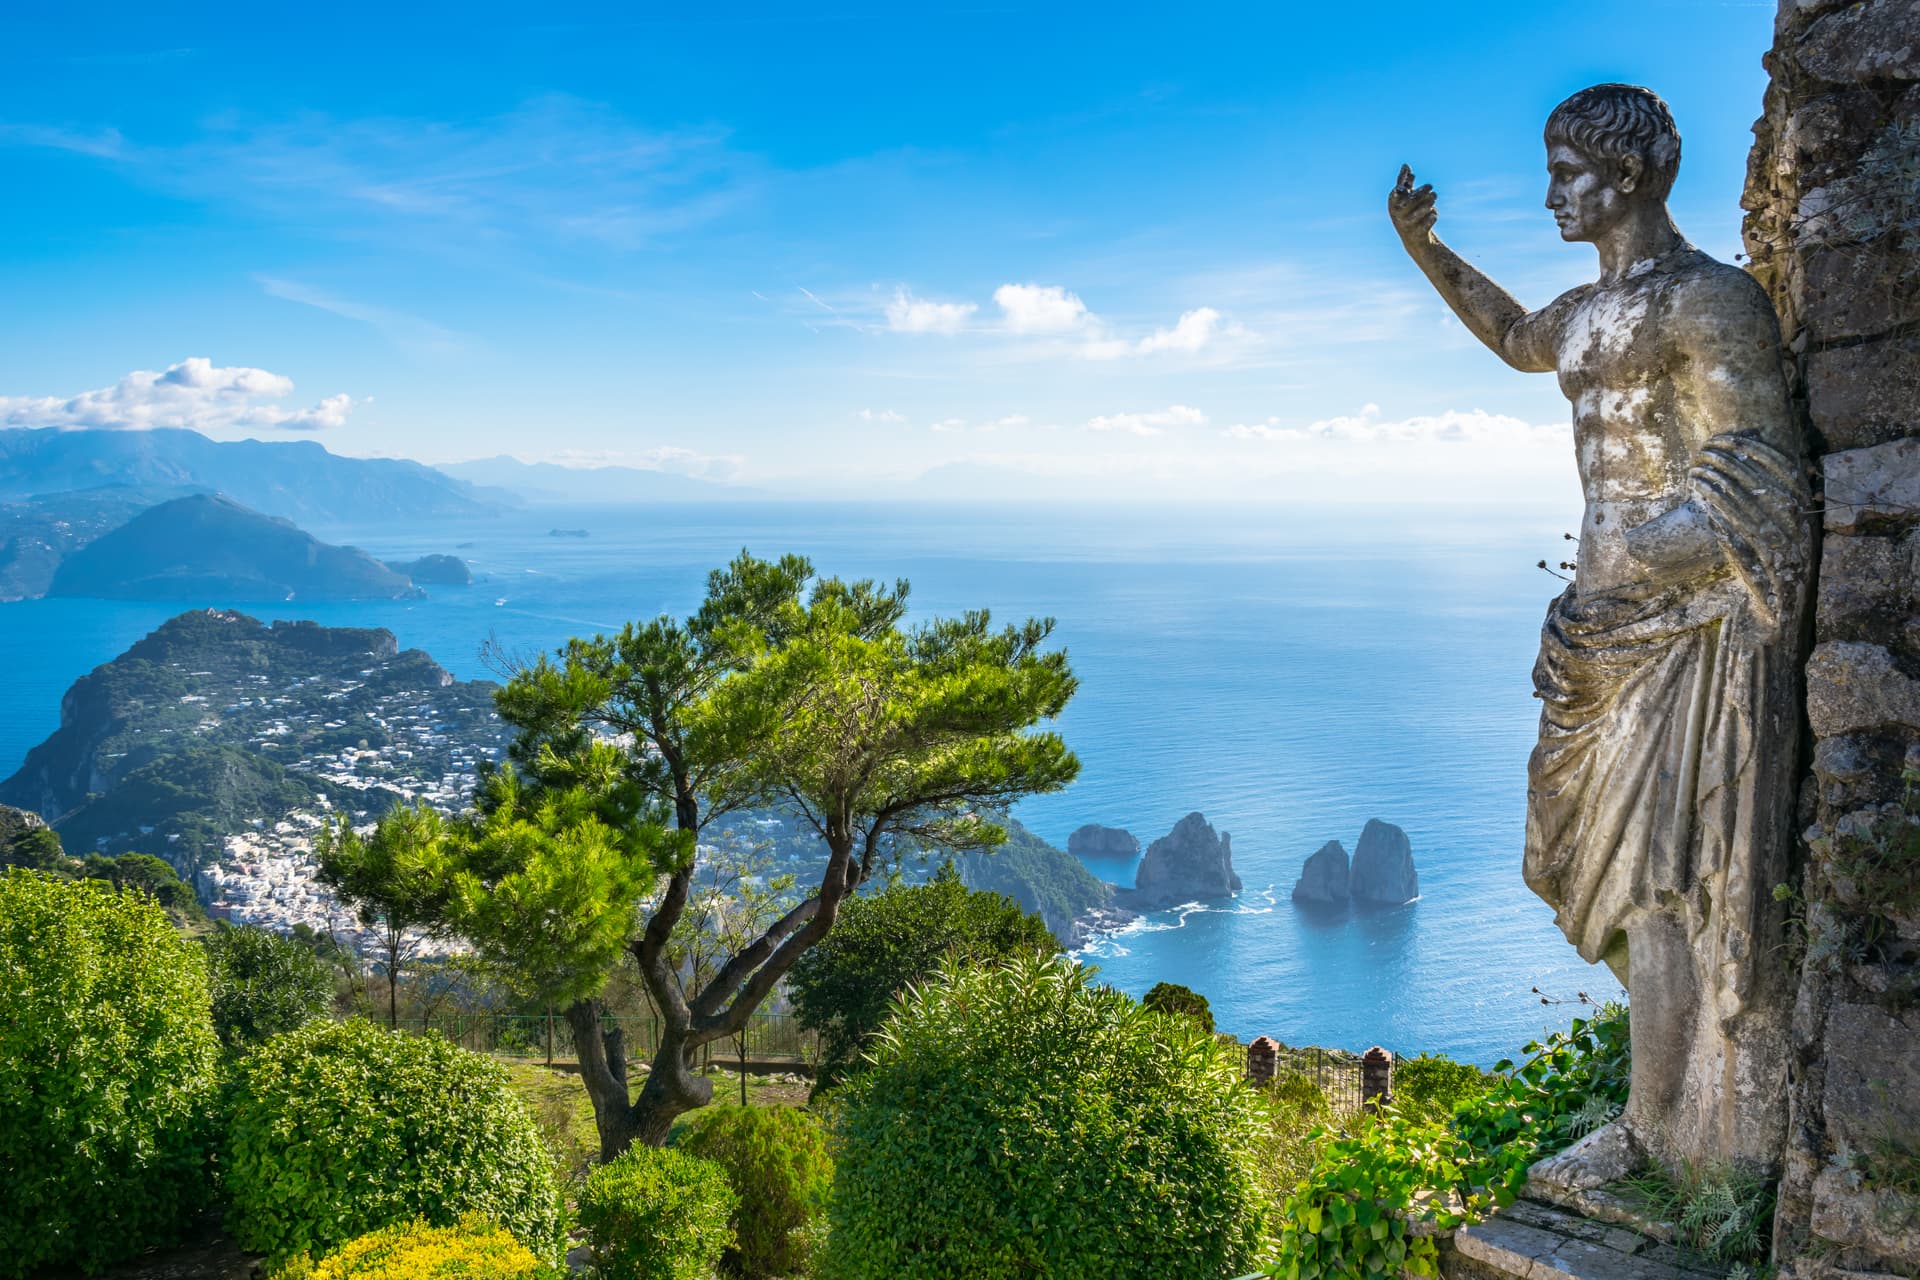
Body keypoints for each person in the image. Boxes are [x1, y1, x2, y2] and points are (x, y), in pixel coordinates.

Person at [1389, 83, 1809, 1186]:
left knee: (1666, 877)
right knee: (1582, 865)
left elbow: (1757, 479)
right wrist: (1425, 251)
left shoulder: (1710, 303)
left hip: (1682, 634)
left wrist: (1652, 559)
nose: (1549, 194)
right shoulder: (1584, 313)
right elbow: (1512, 333)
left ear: (1630, 177)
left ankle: (1672, 1133)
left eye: (1567, 172)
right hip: (1595, 637)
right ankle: (1663, 1113)